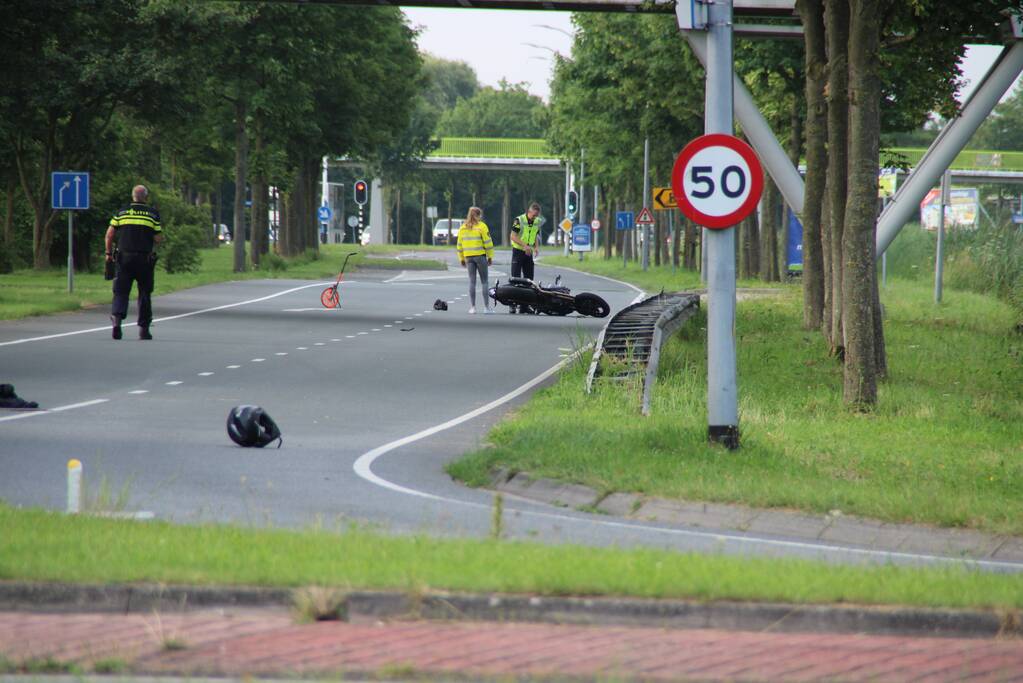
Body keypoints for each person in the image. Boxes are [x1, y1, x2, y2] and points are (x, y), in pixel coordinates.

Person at [105, 185, 162, 340]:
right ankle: (144, 329)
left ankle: (117, 321)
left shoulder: (122, 212)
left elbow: (109, 235)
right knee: (144, 293)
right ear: (146, 197)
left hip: (124, 258)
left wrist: (108, 254)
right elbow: (158, 238)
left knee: (121, 291)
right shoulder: (152, 214)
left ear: (133, 196)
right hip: (144, 259)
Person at [456, 206, 494, 314]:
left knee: (472, 282)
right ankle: (486, 308)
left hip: (468, 257)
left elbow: (459, 245)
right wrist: (490, 256)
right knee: (484, 282)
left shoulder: (463, 228)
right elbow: (488, 243)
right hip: (480, 256)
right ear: (478, 215)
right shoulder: (482, 226)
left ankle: (473, 307)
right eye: (480, 215)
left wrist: (461, 258)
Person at [508, 201, 545, 313]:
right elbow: (513, 236)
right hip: (518, 251)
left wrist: (536, 247)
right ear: (529, 211)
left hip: (528, 252)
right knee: (515, 279)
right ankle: (512, 304)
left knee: (529, 280)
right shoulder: (519, 220)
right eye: (533, 215)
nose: (534, 218)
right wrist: (525, 246)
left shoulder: (537, 221)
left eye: (536, 216)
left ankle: (524, 306)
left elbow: (535, 235)